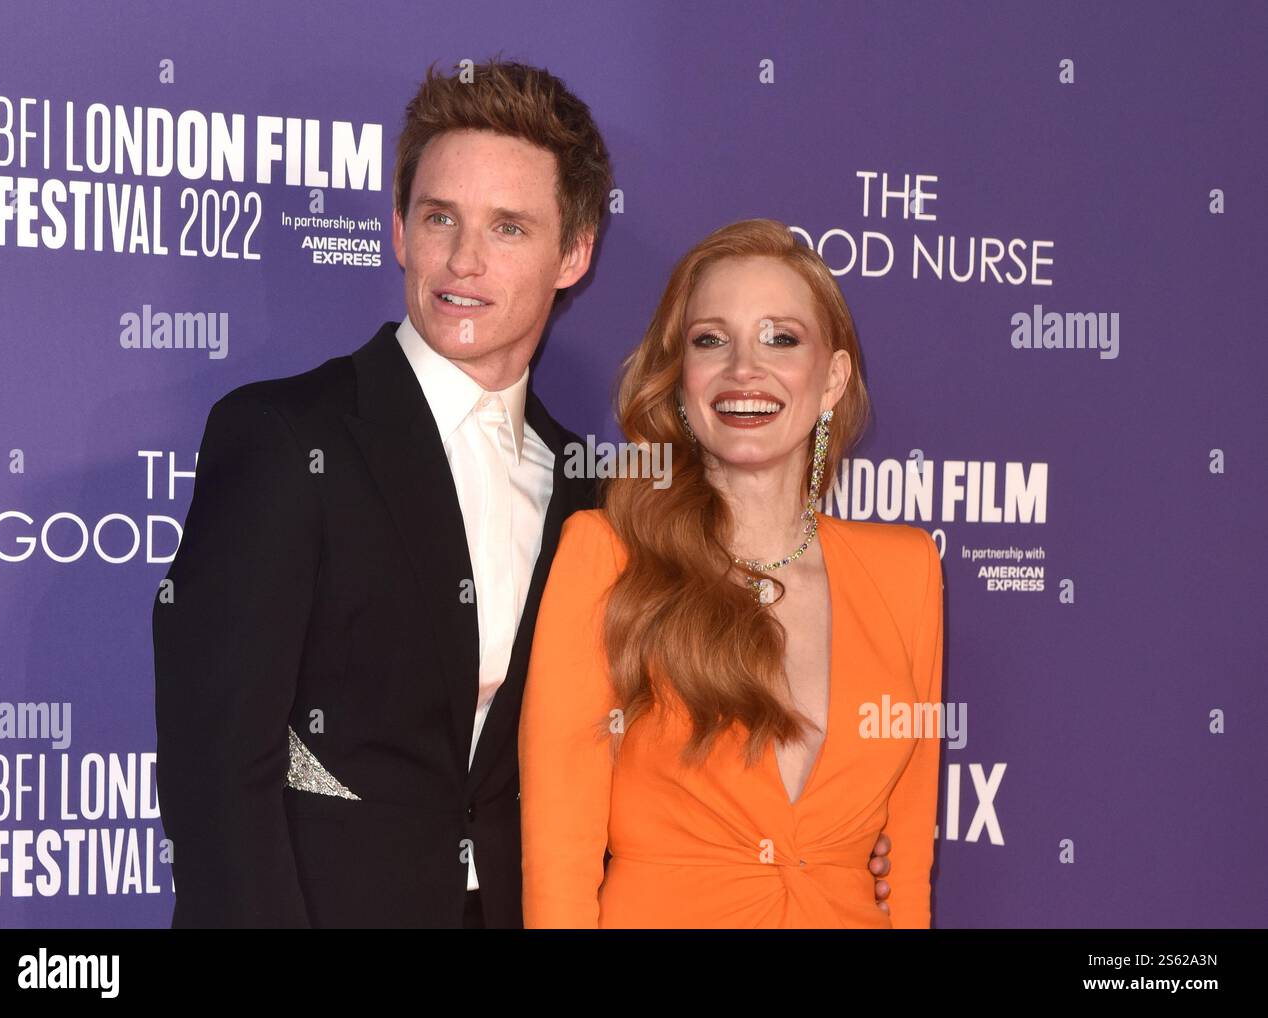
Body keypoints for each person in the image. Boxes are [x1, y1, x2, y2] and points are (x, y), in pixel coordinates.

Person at [153, 57, 895, 929]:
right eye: (440, 218)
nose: (463, 260)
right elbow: (216, 767)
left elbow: (638, 756)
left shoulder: (595, 492)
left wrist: (837, 841)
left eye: (508, 228)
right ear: (399, 231)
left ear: (572, 254)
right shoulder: (286, 436)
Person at [519, 218, 943, 928]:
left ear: (832, 379)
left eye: (781, 338)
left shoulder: (906, 573)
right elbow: (560, 856)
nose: (745, 370)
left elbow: (906, 866)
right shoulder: (607, 555)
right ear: (680, 381)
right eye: (711, 341)